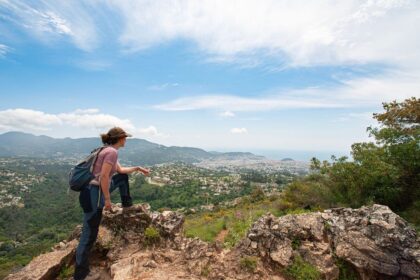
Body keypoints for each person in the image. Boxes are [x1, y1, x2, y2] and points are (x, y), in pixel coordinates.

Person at [74, 127, 150, 280]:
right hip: (93, 195)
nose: (126, 140)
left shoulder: (107, 150)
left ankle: (127, 204)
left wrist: (137, 168)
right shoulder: (111, 152)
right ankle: (80, 275)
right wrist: (108, 200)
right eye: (125, 137)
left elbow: (120, 171)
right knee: (89, 235)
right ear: (120, 138)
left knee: (122, 178)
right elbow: (103, 177)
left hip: (93, 192)